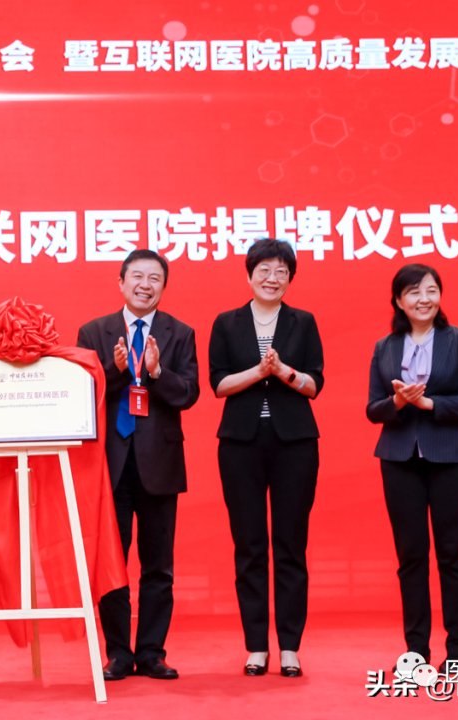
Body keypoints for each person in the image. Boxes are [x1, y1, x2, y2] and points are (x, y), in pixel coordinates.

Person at [77, 249, 200, 681]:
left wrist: (157, 371)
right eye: (137, 276)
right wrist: (114, 371)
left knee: (158, 566)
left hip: (159, 463)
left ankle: (151, 652)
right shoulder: (94, 332)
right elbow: (82, 394)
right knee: (111, 563)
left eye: (155, 278)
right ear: (121, 282)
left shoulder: (179, 333)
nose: (145, 285)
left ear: (164, 286)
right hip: (109, 465)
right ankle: (117, 653)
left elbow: (188, 394)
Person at [208, 238, 324, 678]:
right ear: (249, 274)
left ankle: (290, 647)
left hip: (295, 444)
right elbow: (218, 385)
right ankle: (256, 646)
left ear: (290, 278)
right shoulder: (227, 322)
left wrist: (284, 372)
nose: (272, 278)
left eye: (281, 271)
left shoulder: (303, 321)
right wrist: (259, 371)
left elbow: (315, 384)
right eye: (264, 270)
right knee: (250, 546)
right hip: (240, 444)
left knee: (291, 545)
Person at [367, 264, 458, 672]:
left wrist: (430, 404)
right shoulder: (385, 346)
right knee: (411, 557)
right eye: (414, 292)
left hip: (452, 455)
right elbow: (373, 409)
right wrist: (398, 404)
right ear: (399, 301)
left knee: (452, 553)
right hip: (399, 458)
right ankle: (416, 649)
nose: (424, 299)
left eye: (431, 290)